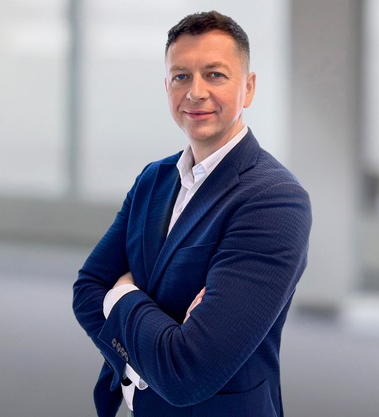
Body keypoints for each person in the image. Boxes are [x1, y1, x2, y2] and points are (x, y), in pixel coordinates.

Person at [73, 10, 311, 417]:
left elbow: (189, 373)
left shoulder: (274, 201)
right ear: (166, 86)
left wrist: (123, 295)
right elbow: (88, 290)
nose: (195, 92)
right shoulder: (154, 179)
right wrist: (160, 349)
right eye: (181, 76)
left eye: (215, 75)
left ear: (248, 88)